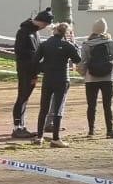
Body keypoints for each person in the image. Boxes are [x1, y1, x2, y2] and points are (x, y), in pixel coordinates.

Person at [32, 22, 81, 148]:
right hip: (62, 79)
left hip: (48, 78)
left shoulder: (45, 44)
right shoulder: (67, 45)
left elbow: (35, 60)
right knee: (58, 109)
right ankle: (55, 138)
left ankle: (39, 136)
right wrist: (74, 45)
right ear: (66, 33)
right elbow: (77, 60)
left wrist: (39, 71)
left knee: (44, 108)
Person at [79, 18, 113, 139]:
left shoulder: (86, 44)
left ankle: (91, 131)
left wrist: (85, 74)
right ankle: (110, 131)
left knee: (91, 105)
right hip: (108, 79)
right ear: (105, 30)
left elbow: (81, 63)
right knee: (108, 105)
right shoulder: (111, 43)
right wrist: (112, 71)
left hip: (90, 79)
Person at [11, 8, 54, 139]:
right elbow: (20, 51)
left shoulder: (34, 33)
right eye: (45, 25)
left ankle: (21, 125)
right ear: (40, 22)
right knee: (22, 97)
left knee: (24, 97)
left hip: (32, 70)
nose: (45, 27)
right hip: (25, 69)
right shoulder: (23, 32)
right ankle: (17, 127)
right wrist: (35, 61)